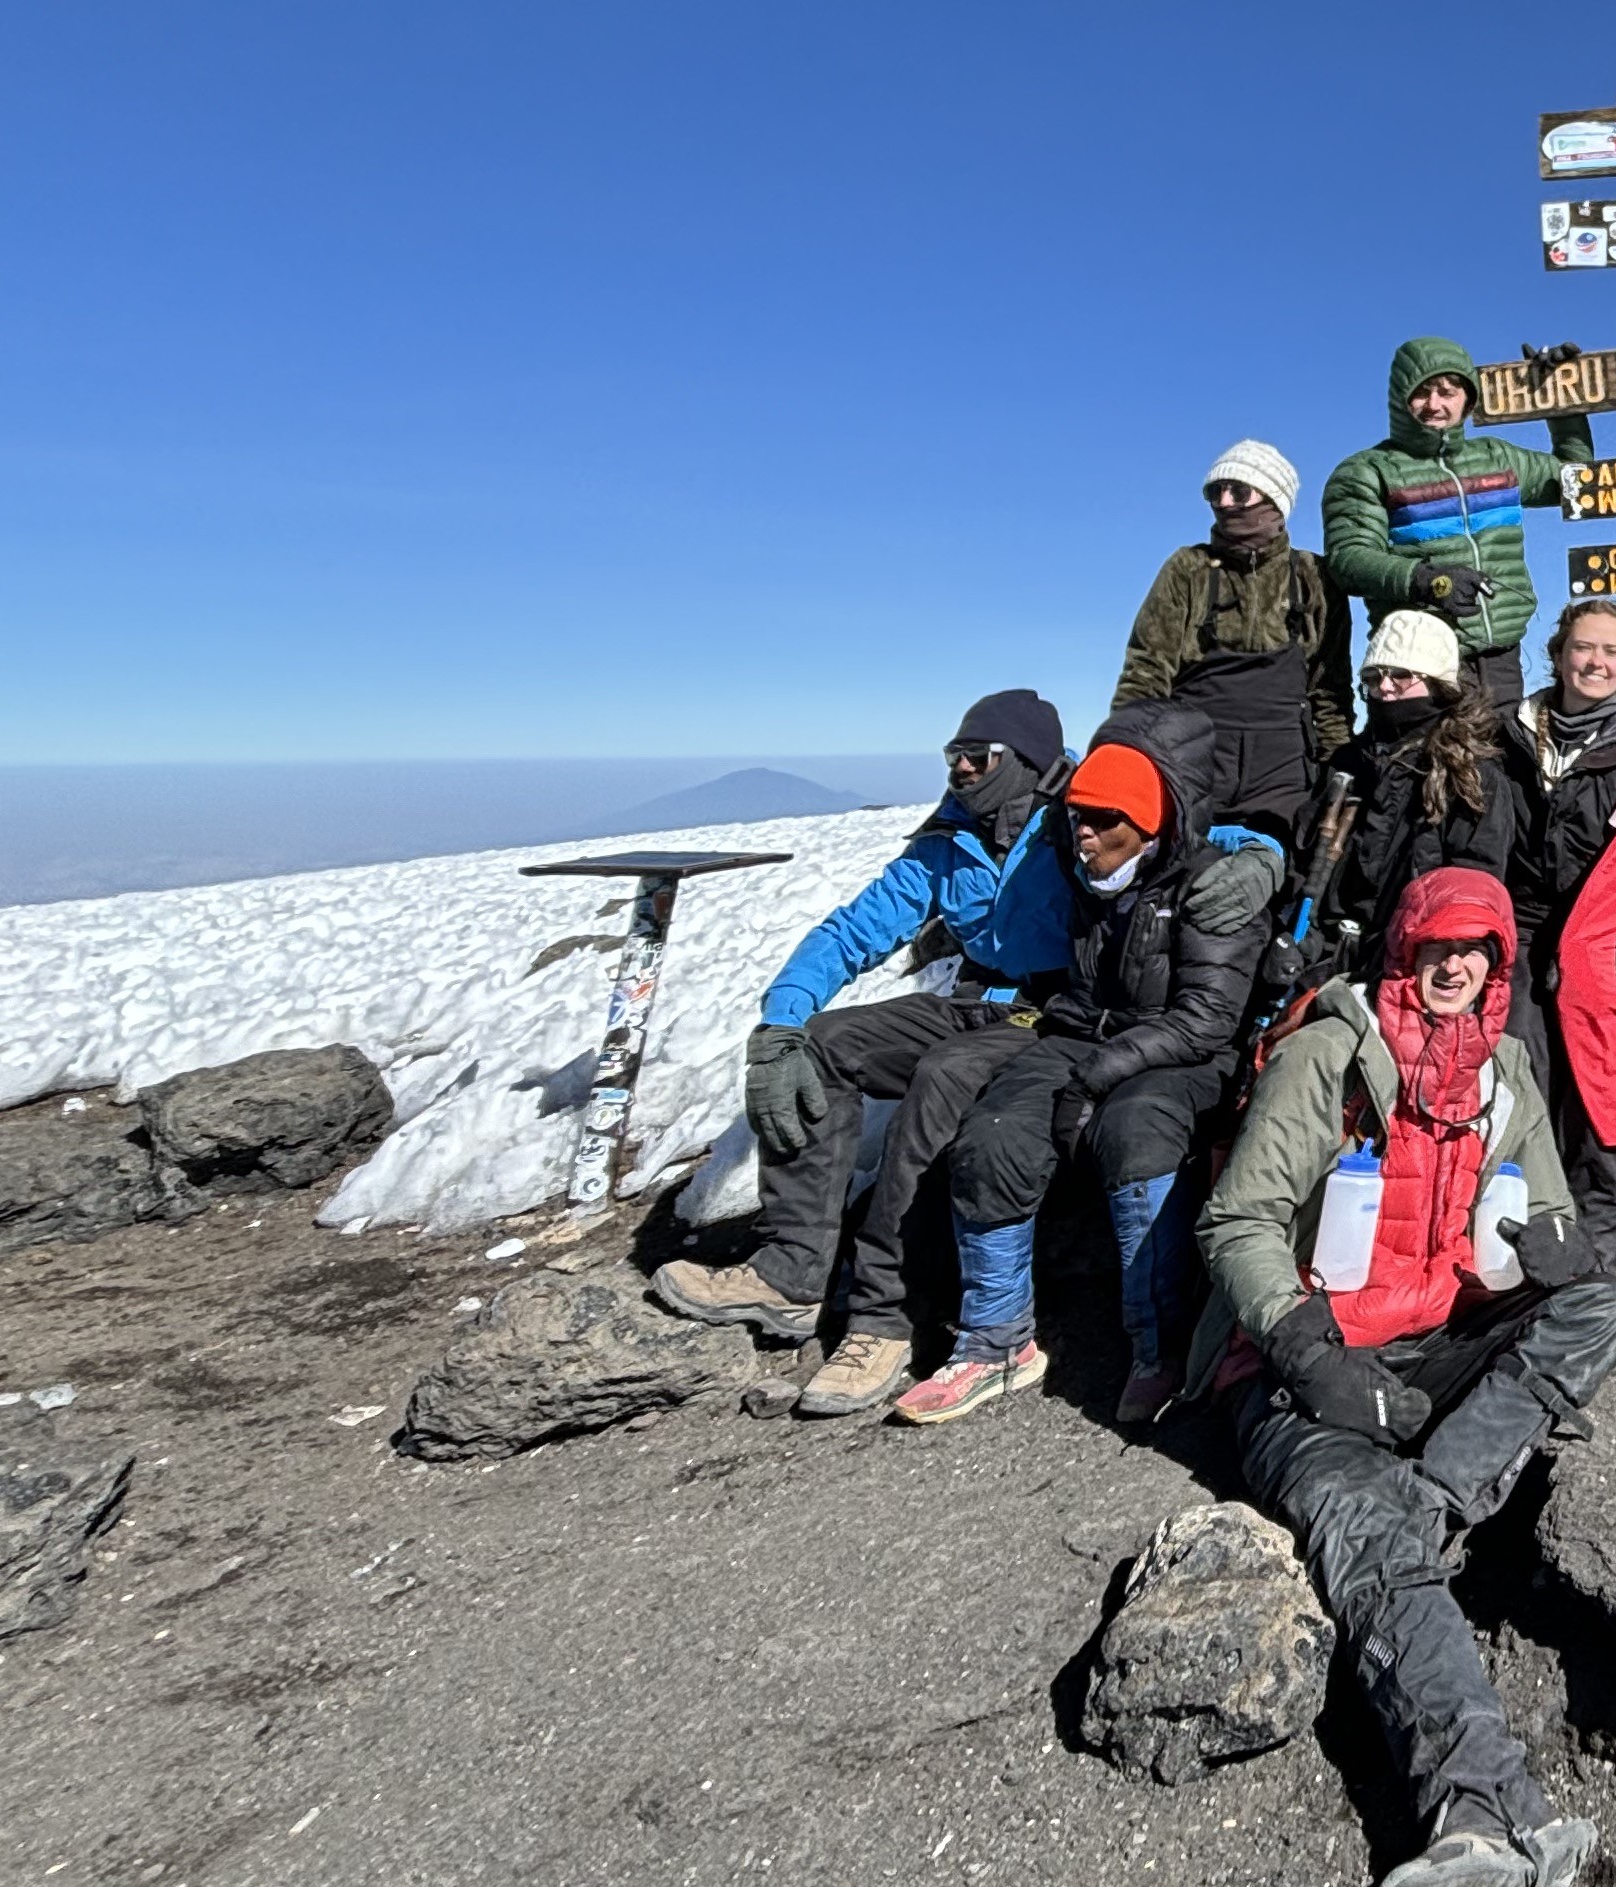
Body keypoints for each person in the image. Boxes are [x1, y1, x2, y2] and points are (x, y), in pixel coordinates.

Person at [1194, 864, 1616, 1887]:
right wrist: (1306, 1353)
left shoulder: (1506, 1072)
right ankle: (1479, 1817)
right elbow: (1238, 1220)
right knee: (1372, 1543)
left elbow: (1549, 1209)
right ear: (1404, 949)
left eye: (1478, 951)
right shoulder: (1331, 1058)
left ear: (1499, 967)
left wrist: (1550, 1243)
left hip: (1438, 1342)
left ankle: (1436, 1497)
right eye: (1436, 947)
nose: (1455, 967)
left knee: (1602, 1305)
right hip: (1308, 1366)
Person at [840, 706, 1287, 1429]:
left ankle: (1157, 1346)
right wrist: (1086, 1066)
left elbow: (1205, 1019)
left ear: (1147, 823)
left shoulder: (1211, 890)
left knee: (1137, 1130)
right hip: (1083, 1033)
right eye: (1078, 814)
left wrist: (1097, 1075)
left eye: (1103, 818)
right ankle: (996, 1342)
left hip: (1184, 1052)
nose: (1081, 832)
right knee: (992, 1132)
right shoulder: (1089, 874)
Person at [651, 691, 1072, 1349]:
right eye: (952, 755)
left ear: (1023, 760)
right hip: (972, 1003)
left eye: (975, 756)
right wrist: (782, 1020)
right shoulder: (949, 838)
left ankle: (885, 1313)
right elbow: (858, 929)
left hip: (1049, 1015)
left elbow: (1175, 839)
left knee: (942, 1076)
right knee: (820, 1047)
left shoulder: (1077, 822)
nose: (959, 769)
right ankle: (792, 1271)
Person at [1505, 593, 1616, 1252]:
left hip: (1606, 928)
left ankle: (1603, 1238)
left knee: (1602, 1076)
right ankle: (1531, 1223)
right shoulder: (1513, 733)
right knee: (1520, 1064)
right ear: (1558, 655)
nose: (1596, 662)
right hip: (1523, 923)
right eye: (1584, 647)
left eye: (1612, 651)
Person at [1102, 440, 1352, 842]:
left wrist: (1338, 765)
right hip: (1193, 765)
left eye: (1239, 491)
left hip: (1285, 775)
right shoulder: (1188, 568)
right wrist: (1122, 750)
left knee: (1277, 879)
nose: (1225, 501)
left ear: (1273, 499)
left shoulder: (1313, 578)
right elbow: (1146, 672)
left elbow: (1330, 688)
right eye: (1216, 492)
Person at [1321, 338, 1592, 709]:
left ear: (1468, 397)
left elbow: (1578, 481)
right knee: (1424, 765)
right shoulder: (1367, 471)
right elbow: (1348, 559)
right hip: (1414, 665)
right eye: (1421, 393)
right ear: (1400, 398)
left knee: (1499, 764)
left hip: (1500, 658)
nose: (1434, 404)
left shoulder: (1498, 459)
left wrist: (1560, 398)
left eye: (1447, 391)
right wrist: (1428, 580)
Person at [1316, 609, 1528, 983]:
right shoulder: (1349, 762)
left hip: (1415, 962)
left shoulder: (1470, 772)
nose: (1385, 688)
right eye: (1373, 676)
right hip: (1327, 952)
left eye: (1401, 675)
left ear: (1438, 684)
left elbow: (1475, 883)